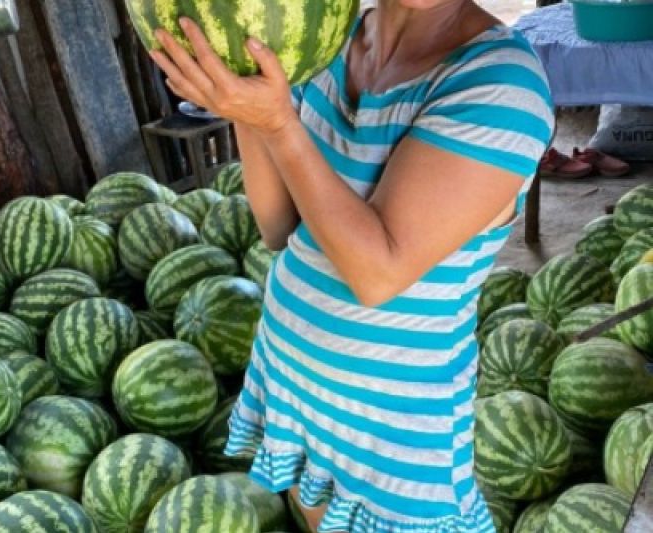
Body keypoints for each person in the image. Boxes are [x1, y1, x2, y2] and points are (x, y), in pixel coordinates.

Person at [150, 1, 554, 532]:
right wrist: (244, 95)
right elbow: (279, 226)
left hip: (392, 441)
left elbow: (377, 273)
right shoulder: (323, 45)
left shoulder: (502, 84)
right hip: (302, 394)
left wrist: (277, 123)